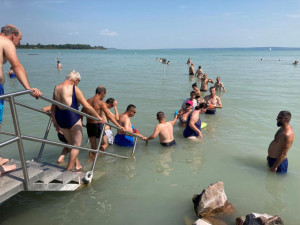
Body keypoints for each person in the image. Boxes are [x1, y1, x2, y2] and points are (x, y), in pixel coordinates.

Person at [51, 70, 105, 171]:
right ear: (75, 80)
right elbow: (87, 106)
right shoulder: (74, 88)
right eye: (78, 82)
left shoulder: (56, 87)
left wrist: (55, 122)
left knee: (71, 144)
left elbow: (53, 108)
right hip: (72, 116)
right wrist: (98, 117)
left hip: (60, 118)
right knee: (76, 145)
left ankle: (77, 165)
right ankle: (68, 170)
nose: (77, 83)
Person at [0, 24, 42, 128]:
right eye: (20, 39)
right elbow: (16, 66)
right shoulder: (6, 42)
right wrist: (28, 89)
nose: (19, 43)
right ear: (13, 35)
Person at [82, 86, 124, 159]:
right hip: (97, 125)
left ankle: (90, 161)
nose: (104, 96)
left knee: (93, 146)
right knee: (105, 144)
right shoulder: (101, 102)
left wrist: (81, 122)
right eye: (104, 94)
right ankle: (95, 159)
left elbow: (82, 112)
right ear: (103, 93)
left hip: (89, 125)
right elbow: (109, 115)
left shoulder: (88, 100)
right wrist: (119, 126)